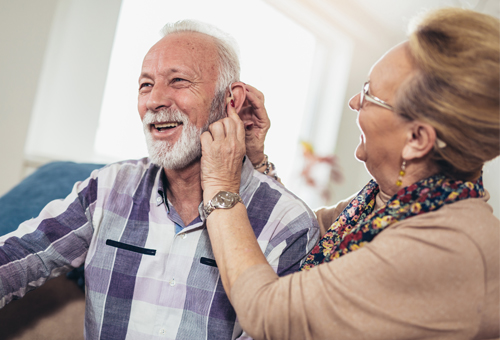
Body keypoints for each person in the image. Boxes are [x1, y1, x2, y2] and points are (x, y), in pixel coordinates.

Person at [0, 20, 319, 339]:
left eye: (178, 81)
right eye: (145, 85)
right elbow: (22, 254)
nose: (154, 101)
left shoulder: (289, 225)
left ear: (231, 100)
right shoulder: (109, 186)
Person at [200, 8, 500, 340]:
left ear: (416, 140)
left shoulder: (446, 247)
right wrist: (257, 164)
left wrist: (220, 188)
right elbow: (301, 236)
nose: (355, 102)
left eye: (370, 95)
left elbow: (271, 313)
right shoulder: (390, 205)